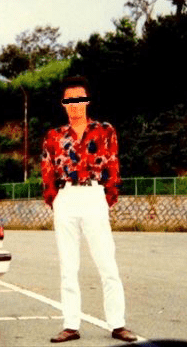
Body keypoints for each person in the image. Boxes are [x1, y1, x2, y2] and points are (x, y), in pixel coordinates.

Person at [41, 76, 137, 343]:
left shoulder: (105, 131)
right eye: (69, 100)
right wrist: (56, 199)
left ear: (87, 101)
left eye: (79, 99)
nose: (75, 105)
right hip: (66, 197)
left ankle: (118, 324)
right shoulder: (54, 136)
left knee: (107, 262)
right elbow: (47, 171)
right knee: (68, 265)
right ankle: (71, 325)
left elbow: (113, 166)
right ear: (63, 104)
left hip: (94, 195)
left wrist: (104, 198)